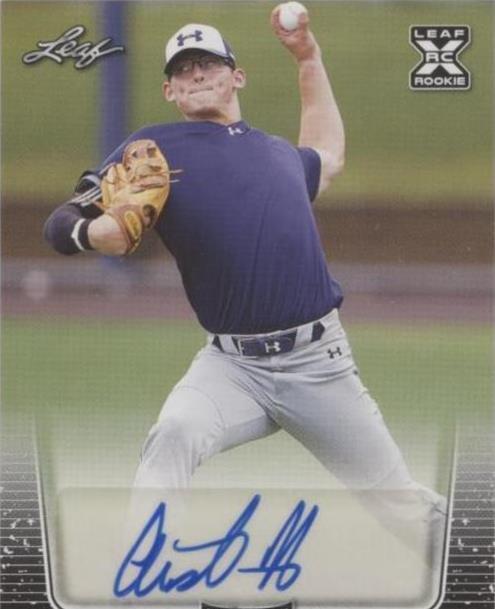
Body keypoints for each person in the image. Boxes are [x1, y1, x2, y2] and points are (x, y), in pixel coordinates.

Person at [44, 9, 446, 556]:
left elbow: (328, 155)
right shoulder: (152, 149)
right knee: (175, 432)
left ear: (237, 76)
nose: (196, 73)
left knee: (398, 505)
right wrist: (94, 232)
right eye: (182, 69)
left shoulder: (278, 154)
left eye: (208, 63)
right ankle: (140, 571)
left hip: (318, 365)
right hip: (231, 368)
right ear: (169, 91)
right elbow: (61, 221)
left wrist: (308, 57)